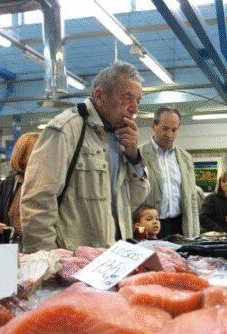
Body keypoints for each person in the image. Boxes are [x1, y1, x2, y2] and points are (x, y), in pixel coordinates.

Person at [21, 61, 150, 252]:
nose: (134, 108)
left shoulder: (122, 139)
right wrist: (47, 262)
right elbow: (37, 202)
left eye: (137, 101)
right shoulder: (66, 130)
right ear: (100, 96)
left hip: (113, 255)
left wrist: (134, 158)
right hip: (74, 258)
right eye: (127, 98)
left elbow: (135, 200)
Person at [140, 107, 200, 239]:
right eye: (165, 128)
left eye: (174, 130)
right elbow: (132, 202)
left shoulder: (186, 158)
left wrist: (195, 233)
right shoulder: (139, 155)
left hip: (180, 226)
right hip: (150, 228)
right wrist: (137, 234)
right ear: (153, 126)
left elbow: (192, 199)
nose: (169, 134)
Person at [0, 133, 39, 245]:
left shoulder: (52, 184)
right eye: (36, 153)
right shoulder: (7, 185)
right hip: (9, 248)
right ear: (22, 157)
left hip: (42, 249)